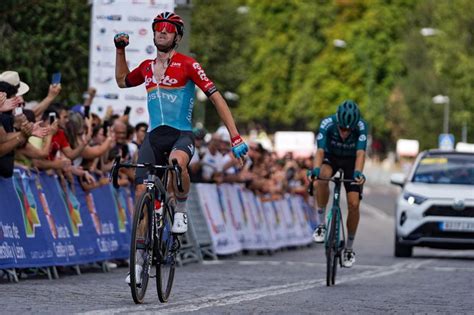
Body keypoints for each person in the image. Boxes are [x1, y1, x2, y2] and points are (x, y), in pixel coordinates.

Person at [114, 11, 248, 284]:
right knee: (141, 190)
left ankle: (182, 208)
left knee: (177, 163)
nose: (162, 32)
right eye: (158, 28)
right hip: (154, 136)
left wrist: (235, 137)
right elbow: (121, 81)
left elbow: (217, 98)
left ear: (177, 36)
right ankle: (139, 263)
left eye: (168, 28)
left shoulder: (188, 65)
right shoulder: (146, 67)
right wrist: (119, 50)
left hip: (181, 135)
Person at [309, 100, 367, 268]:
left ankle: (349, 248)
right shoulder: (327, 123)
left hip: (351, 161)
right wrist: (315, 170)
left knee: (354, 203)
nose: (345, 132)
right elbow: (319, 151)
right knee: (322, 177)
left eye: (349, 129)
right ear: (338, 122)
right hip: (331, 157)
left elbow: (361, 153)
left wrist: (358, 173)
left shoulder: (362, 126)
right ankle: (321, 225)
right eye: (342, 128)